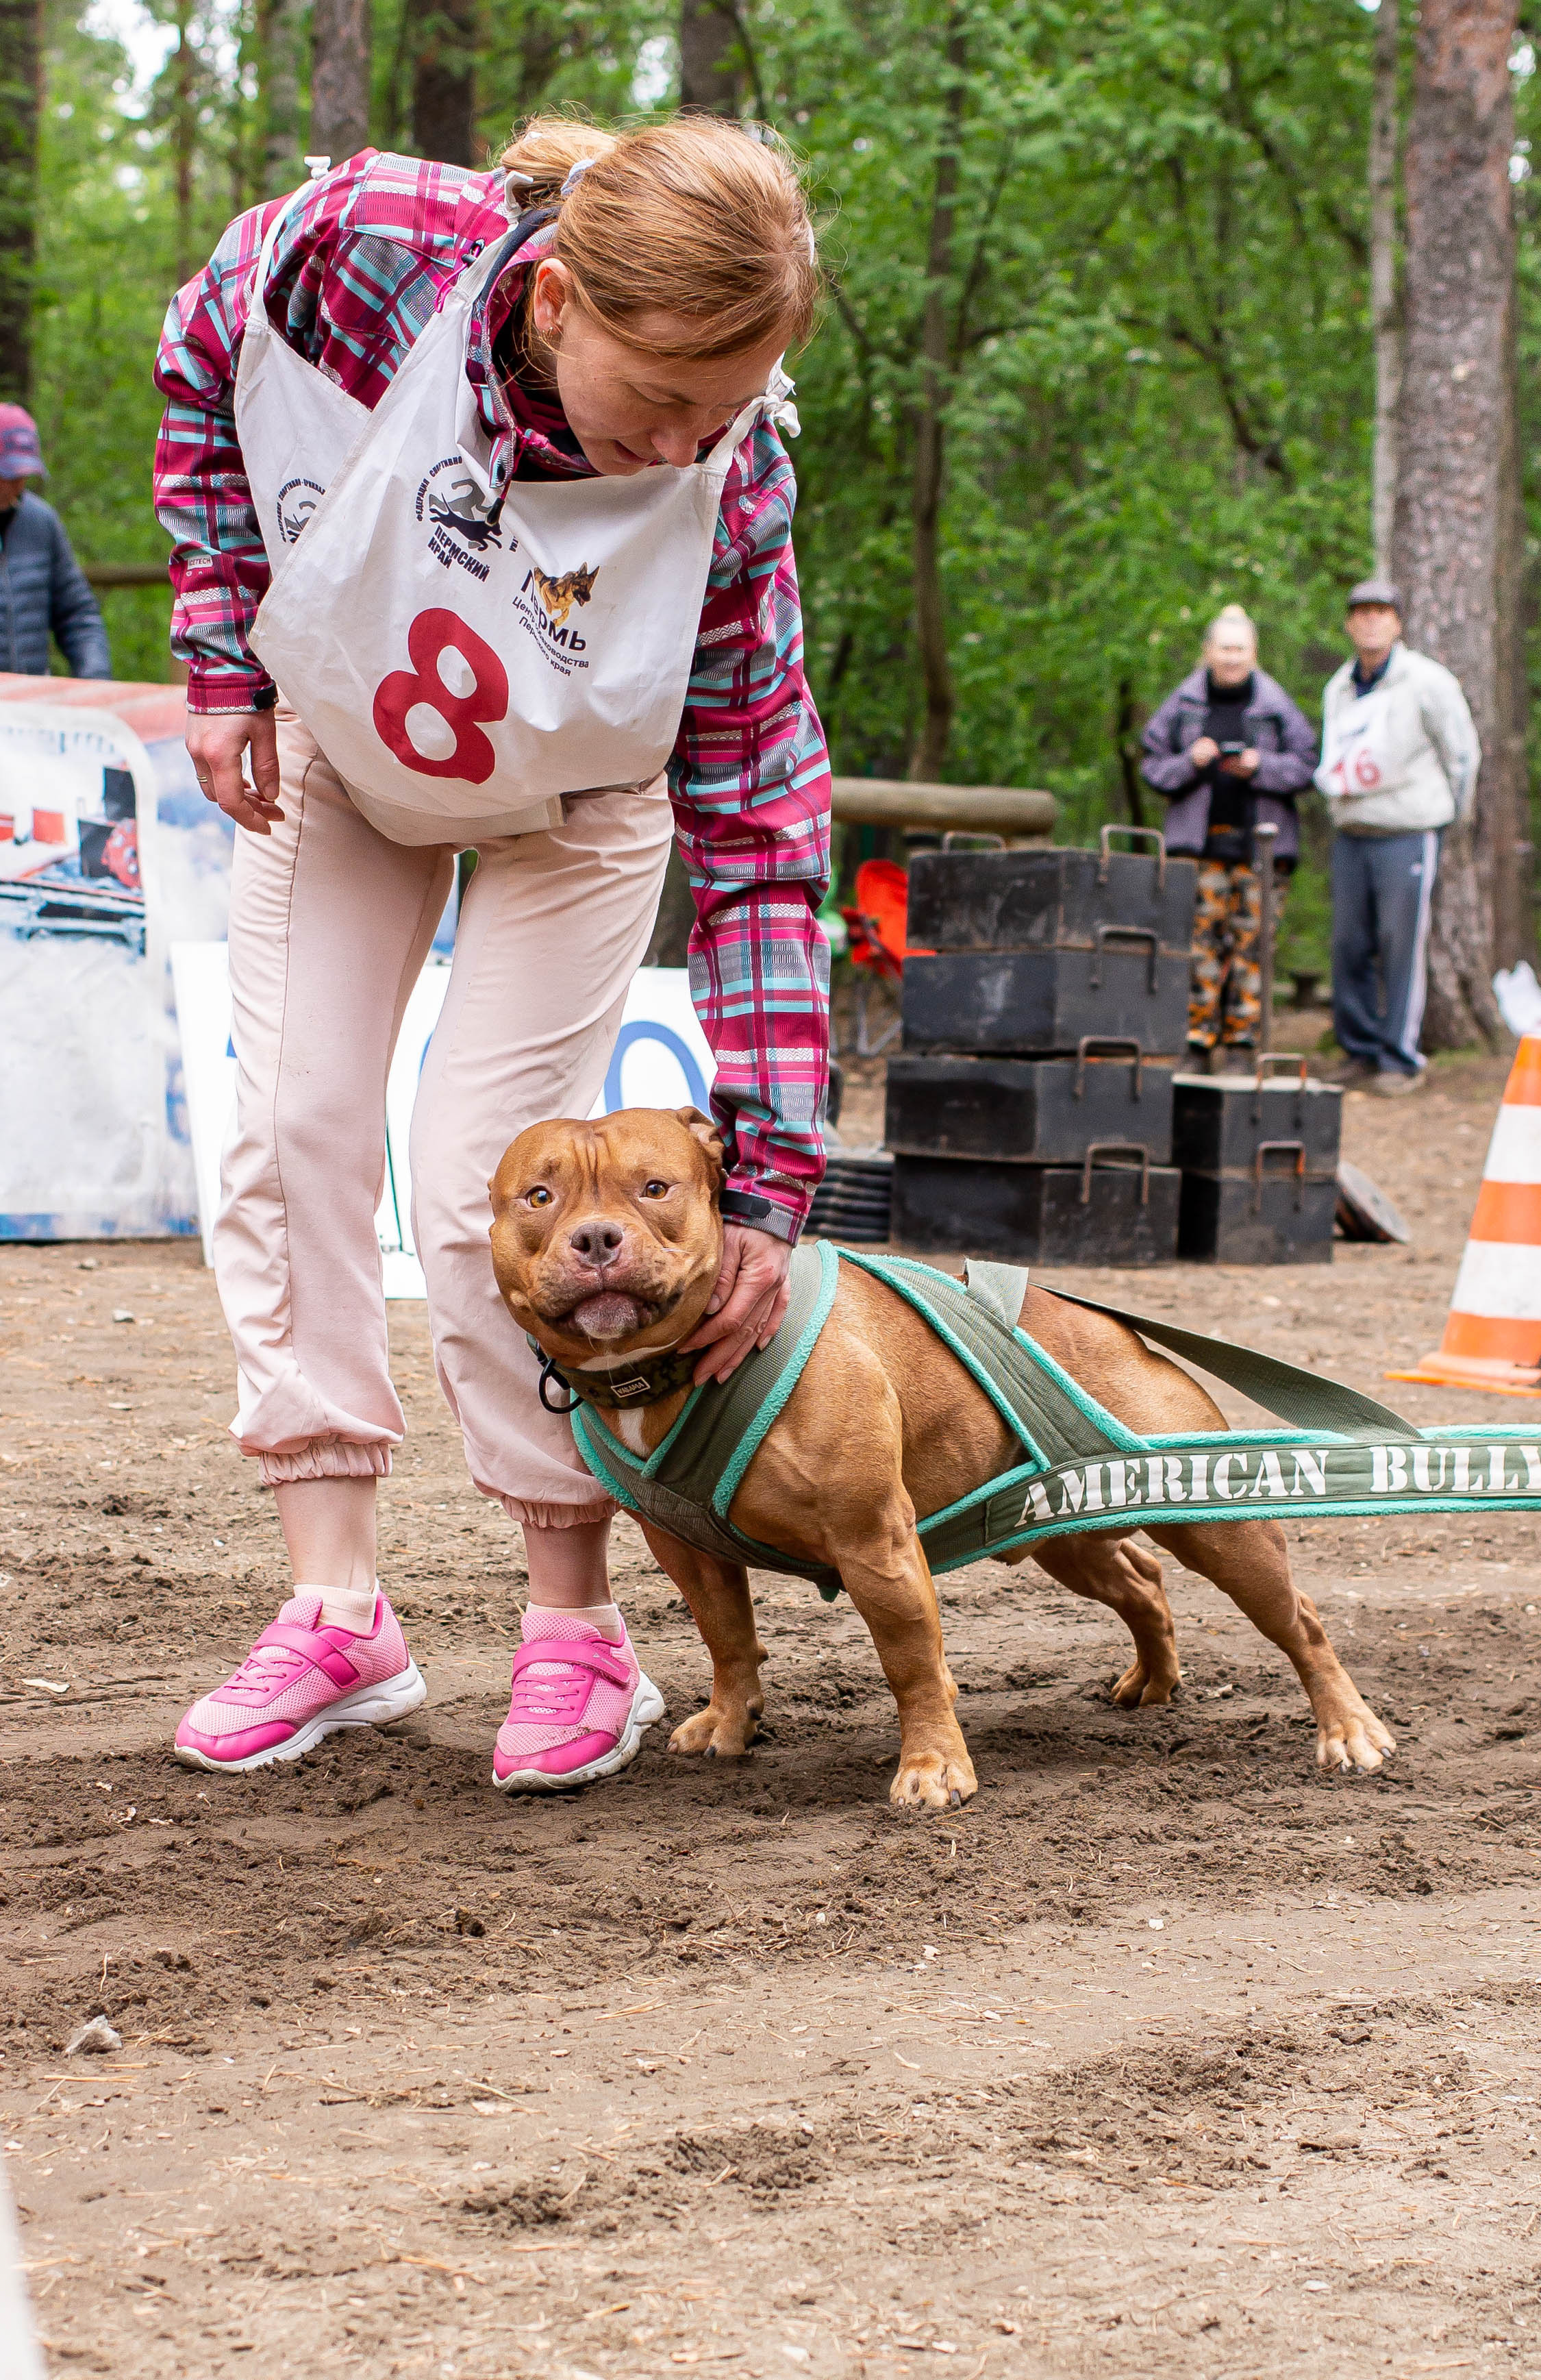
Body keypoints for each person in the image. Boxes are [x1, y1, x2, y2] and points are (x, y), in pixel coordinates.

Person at [151, 118, 830, 1789]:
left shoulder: (729, 484)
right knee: (294, 1127)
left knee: (489, 1177)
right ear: (552, 303)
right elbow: (197, 349)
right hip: (350, 750)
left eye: (723, 405)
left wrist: (770, 1181)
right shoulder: (367, 248)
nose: (684, 438)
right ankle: (336, 1612)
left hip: (578, 804)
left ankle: (572, 1624)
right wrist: (222, 644)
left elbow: (761, 826)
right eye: (656, 398)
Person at [1316, 578, 1479, 1095]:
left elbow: (1461, 754)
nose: (1370, 621)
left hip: (1406, 832)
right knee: (1348, 944)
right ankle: (1359, 1048)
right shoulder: (1340, 687)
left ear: (1398, 622)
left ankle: (1398, 1057)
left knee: (1400, 943)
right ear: (1348, 623)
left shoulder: (1426, 681)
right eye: (1361, 612)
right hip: (1353, 831)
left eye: (1381, 612)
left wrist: (1450, 814)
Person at [1140, 604, 1316, 1071]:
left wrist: (1262, 766)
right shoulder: (1182, 704)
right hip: (1198, 848)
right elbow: (1152, 763)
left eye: (1240, 648)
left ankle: (1242, 1045)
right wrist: (1190, 762)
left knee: (1253, 946)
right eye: (1224, 647)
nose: (1232, 657)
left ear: (1254, 653)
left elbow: (1307, 764)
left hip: (1262, 848)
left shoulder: (1276, 707)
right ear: (1208, 652)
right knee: (1198, 945)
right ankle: (1196, 1042)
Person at [0, 404, 110, 680]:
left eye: (23, 475)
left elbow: (78, 615)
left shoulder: (41, 522)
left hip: (32, 704)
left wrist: (93, 675)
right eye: (8, 475)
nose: (17, 485)